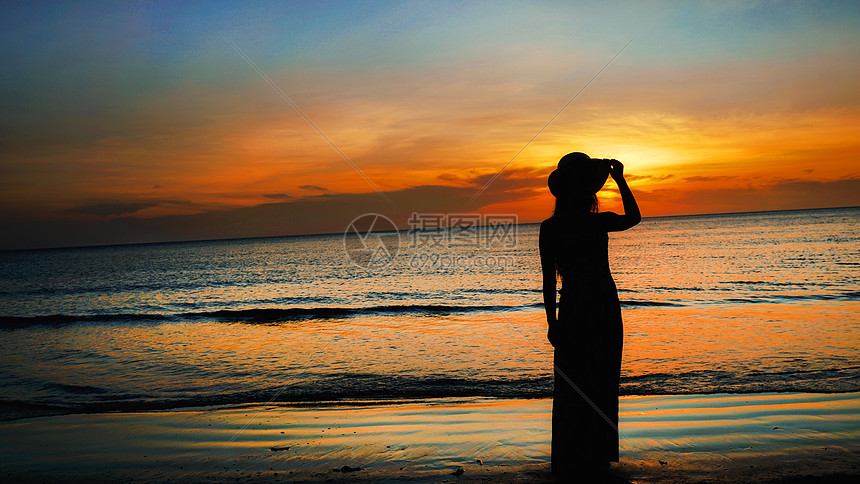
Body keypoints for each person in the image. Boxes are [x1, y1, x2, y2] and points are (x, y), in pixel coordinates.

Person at [539, 152, 640, 477]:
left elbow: (634, 218)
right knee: (576, 382)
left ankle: (592, 454)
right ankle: (577, 455)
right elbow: (547, 280)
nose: (584, 190)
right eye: (579, 183)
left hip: (596, 308)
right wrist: (551, 323)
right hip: (583, 308)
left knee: (598, 379)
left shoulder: (585, 223)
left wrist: (620, 179)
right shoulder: (555, 227)